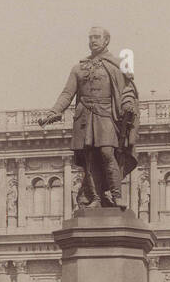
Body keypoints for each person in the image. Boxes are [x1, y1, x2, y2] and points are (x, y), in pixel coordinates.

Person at [36, 26, 139, 208]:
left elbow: (127, 91)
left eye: (97, 37)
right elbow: (67, 93)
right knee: (89, 158)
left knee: (107, 152)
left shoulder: (116, 65)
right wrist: (54, 112)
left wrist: (127, 104)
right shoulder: (78, 68)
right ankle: (96, 198)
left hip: (106, 114)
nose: (93, 40)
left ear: (106, 40)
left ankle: (116, 195)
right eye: (90, 37)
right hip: (84, 117)